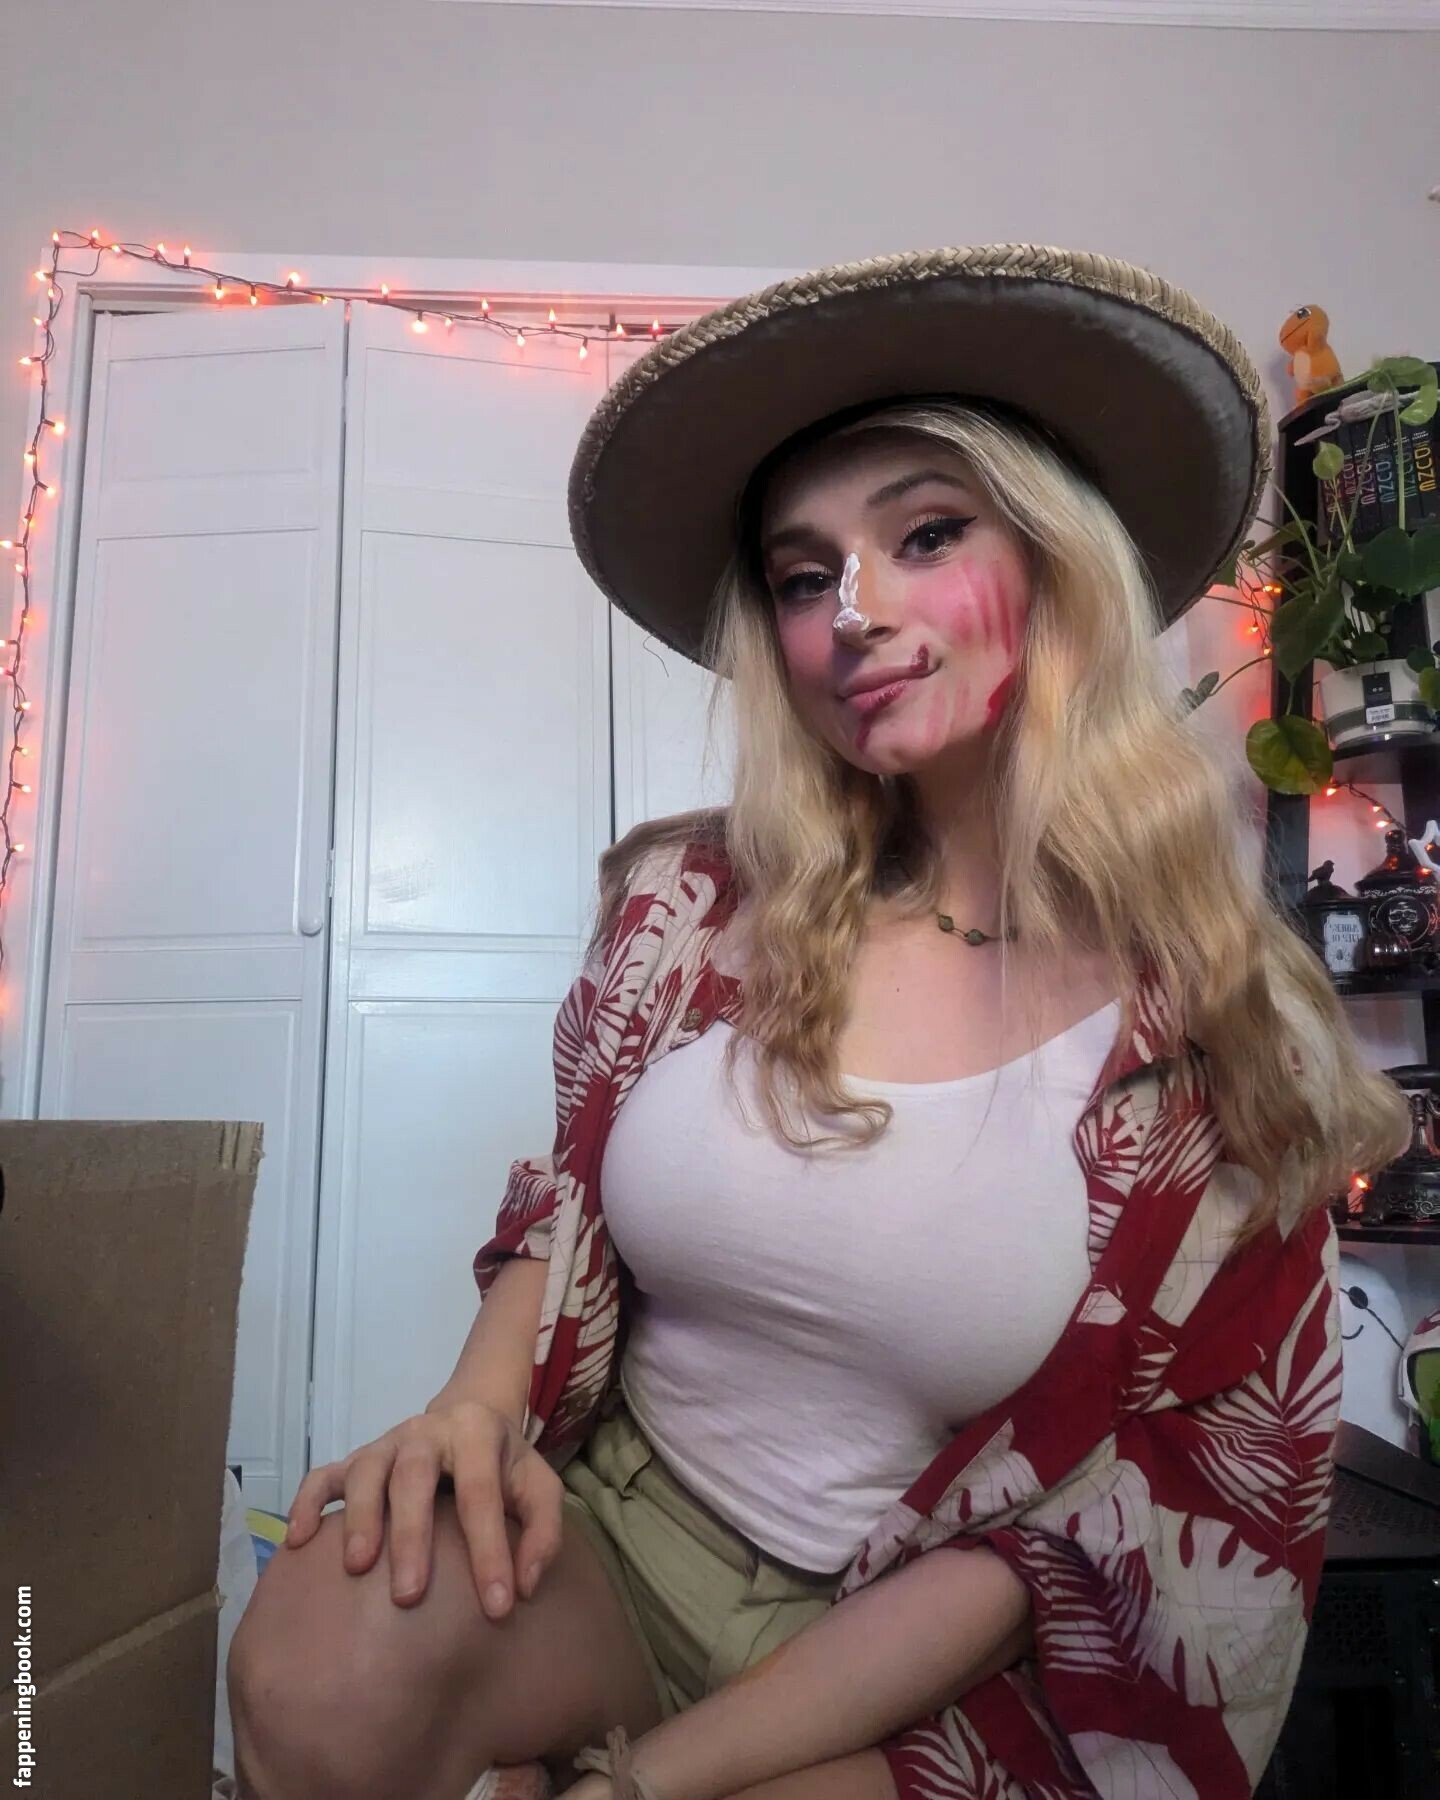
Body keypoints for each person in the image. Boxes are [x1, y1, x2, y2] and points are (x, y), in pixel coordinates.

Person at [227, 244, 1410, 1800]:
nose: (854, 611)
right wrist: (469, 1408)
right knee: (312, 1664)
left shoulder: (1217, 1051)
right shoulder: (693, 904)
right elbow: (570, 1207)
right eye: (802, 575)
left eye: (927, 535)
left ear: (1054, 561)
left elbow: (1073, 1542)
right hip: (610, 1535)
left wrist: (635, 1784)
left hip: (923, 1650)